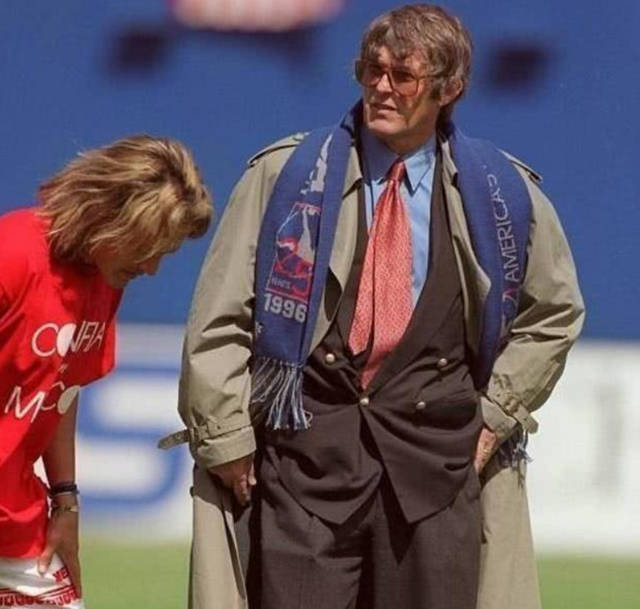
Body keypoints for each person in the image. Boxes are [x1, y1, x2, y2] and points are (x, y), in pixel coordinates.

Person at [169, 4, 584, 609]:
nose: (381, 87)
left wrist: (498, 413)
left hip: (438, 480)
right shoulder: (284, 176)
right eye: (372, 69)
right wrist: (226, 437)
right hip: (302, 476)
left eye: (403, 76)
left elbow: (554, 312)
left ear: (450, 88)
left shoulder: (501, 191)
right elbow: (220, 314)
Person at [0, 134, 212, 609]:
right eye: (149, 247)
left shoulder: (105, 279)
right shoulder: (12, 253)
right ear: (112, 216)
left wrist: (66, 501)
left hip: (20, 522)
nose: (152, 268)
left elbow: (61, 392)